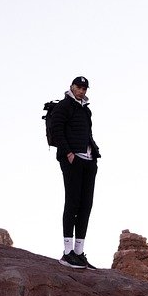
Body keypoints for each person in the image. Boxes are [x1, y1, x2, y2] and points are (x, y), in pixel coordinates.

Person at [46, 75, 101, 269]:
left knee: (86, 205)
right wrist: (69, 153)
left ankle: (79, 252)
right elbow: (57, 129)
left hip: (89, 160)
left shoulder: (86, 110)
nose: (81, 91)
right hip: (72, 160)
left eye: (84, 88)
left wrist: (93, 155)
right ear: (72, 87)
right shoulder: (64, 106)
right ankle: (67, 252)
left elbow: (88, 133)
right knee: (72, 202)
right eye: (78, 87)